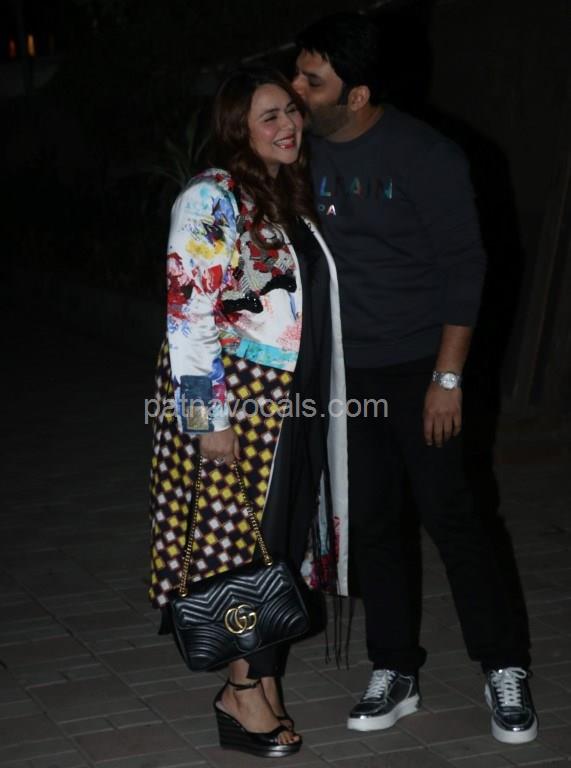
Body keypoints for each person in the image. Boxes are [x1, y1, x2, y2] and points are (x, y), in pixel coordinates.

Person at [292, 12, 538, 745]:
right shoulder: (299, 151)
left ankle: (503, 666)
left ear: (357, 94)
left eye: (312, 81)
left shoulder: (426, 155)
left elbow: (467, 266)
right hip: (347, 374)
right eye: (298, 74)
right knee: (370, 524)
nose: (297, 89)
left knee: (452, 517)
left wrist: (448, 378)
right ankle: (394, 668)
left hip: (422, 369)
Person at [148, 67, 349, 758]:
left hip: (292, 401)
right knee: (241, 547)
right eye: (269, 116)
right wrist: (208, 421)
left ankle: (259, 682)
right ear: (238, 127)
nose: (287, 125)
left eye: (291, 111)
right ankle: (240, 692)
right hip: (241, 402)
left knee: (276, 544)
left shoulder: (283, 194)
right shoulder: (212, 196)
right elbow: (188, 313)